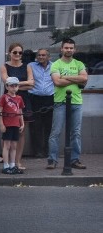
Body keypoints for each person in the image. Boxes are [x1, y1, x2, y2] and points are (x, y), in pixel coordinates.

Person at [46, 38, 88, 170]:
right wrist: (75, 78)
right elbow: (57, 82)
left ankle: (74, 160)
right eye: (66, 48)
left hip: (76, 102)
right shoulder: (56, 65)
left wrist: (65, 77)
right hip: (60, 102)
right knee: (55, 132)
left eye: (71, 48)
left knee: (76, 133)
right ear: (61, 49)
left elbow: (84, 79)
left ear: (74, 50)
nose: (68, 50)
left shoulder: (79, 64)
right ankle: (52, 160)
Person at [0, 43, 34, 170]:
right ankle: (7, 162)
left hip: (23, 99)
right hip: (8, 100)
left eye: (20, 53)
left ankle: (18, 161)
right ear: (10, 53)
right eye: (15, 52)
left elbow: (32, 84)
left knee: (21, 131)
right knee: (8, 131)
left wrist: (15, 84)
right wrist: (24, 84)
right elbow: (6, 82)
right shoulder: (4, 66)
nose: (18, 55)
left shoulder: (27, 66)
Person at [28, 49, 54, 158]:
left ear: (49, 56)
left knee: (49, 126)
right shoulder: (31, 66)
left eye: (43, 55)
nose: (41, 57)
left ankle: (47, 150)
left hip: (50, 98)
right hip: (35, 98)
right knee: (35, 126)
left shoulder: (55, 66)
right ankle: (37, 151)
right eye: (39, 55)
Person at [0, 77, 25, 174]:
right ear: (7, 87)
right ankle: (6, 166)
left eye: (16, 86)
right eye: (11, 86)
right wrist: (2, 124)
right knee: (7, 145)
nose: (14, 88)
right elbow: (0, 112)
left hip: (16, 124)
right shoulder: (4, 97)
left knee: (14, 145)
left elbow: (20, 111)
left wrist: (22, 123)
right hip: (8, 124)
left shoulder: (19, 98)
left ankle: (12, 164)